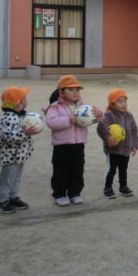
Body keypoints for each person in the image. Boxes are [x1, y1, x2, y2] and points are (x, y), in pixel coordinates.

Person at [45, 75, 103, 207]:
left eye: (77, 90)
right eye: (71, 90)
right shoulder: (55, 107)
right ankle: (59, 195)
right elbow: (51, 122)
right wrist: (68, 121)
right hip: (62, 146)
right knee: (61, 171)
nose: (75, 92)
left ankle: (75, 193)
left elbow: (92, 120)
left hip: (79, 144)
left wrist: (99, 114)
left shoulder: (83, 106)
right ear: (61, 92)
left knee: (77, 170)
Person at [0, 86, 39, 213]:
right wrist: (24, 132)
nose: (26, 100)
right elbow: (9, 136)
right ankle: (2, 201)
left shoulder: (19, 115)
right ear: (18, 102)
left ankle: (13, 197)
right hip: (10, 156)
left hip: (19, 155)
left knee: (16, 177)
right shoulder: (9, 117)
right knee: (7, 179)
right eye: (24, 98)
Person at [97, 89, 138, 199]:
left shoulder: (129, 115)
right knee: (111, 169)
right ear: (112, 104)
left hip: (126, 149)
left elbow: (134, 131)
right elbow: (101, 127)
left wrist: (134, 145)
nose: (123, 104)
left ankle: (123, 187)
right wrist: (108, 138)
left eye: (125, 101)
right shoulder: (108, 115)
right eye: (120, 102)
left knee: (123, 169)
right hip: (113, 149)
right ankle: (108, 188)